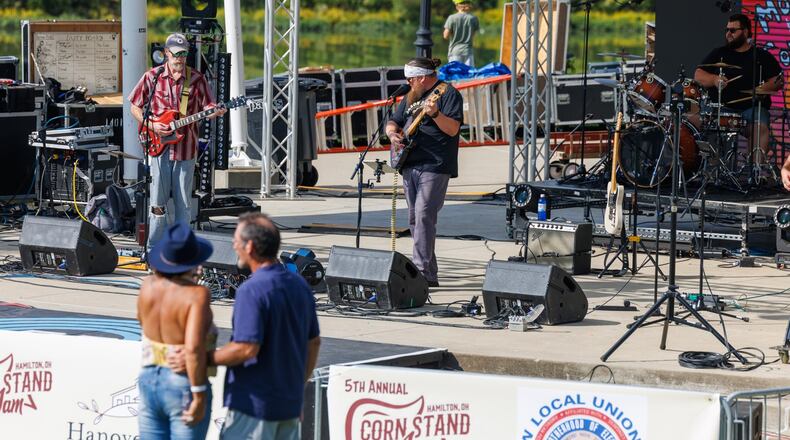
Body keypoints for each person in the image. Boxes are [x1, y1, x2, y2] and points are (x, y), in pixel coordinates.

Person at [170, 212, 320, 439]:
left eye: (236, 241)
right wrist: (296, 389)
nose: (233, 245)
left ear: (249, 247)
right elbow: (314, 343)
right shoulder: (299, 284)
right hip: (287, 406)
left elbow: (246, 348)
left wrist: (202, 359)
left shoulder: (252, 290)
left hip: (254, 405)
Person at [129, 32, 226, 249]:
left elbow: (208, 106)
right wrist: (153, 125)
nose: (180, 59)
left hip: (186, 149)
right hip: (158, 148)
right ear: (166, 53)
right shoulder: (151, 77)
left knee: (184, 204)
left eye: (184, 54)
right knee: (157, 203)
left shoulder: (197, 79)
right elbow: (134, 106)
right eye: (176, 54)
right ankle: (154, 248)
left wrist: (213, 111)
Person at [386, 57, 463, 287]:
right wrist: (392, 135)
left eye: (411, 79)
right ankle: (429, 271)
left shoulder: (448, 94)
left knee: (423, 215)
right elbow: (394, 121)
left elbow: (453, 129)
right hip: (410, 162)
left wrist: (436, 114)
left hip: (435, 164)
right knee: (415, 219)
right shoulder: (411, 96)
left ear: (422, 77)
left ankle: (421, 272)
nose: (409, 83)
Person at [137, 222, 217, 440]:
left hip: (149, 376)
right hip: (181, 381)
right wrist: (199, 395)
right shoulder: (197, 295)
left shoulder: (147, 286)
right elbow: (192, 349)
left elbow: (143, 325)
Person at [694, 13, 783, 166]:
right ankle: (702, 169)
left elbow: (778, 80)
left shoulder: (761, 56)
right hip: (721, 109)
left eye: (733, 30)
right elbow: (698, 74)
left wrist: (761, 89)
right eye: (727, 30)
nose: (728, 34)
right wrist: (715, 79)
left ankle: (754, 173)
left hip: (750, 109)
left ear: (746, 32)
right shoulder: (719, 53)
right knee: (690, 120)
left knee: (760, 127)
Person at [443, 0, 479, 67]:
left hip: (455, 51)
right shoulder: (473, 19)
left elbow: (445, 36)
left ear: (457, 6)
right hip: (468, 51)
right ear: (469, 5)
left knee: (455, 74)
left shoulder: (451, 18)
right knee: (469, 75)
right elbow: (473, 36)